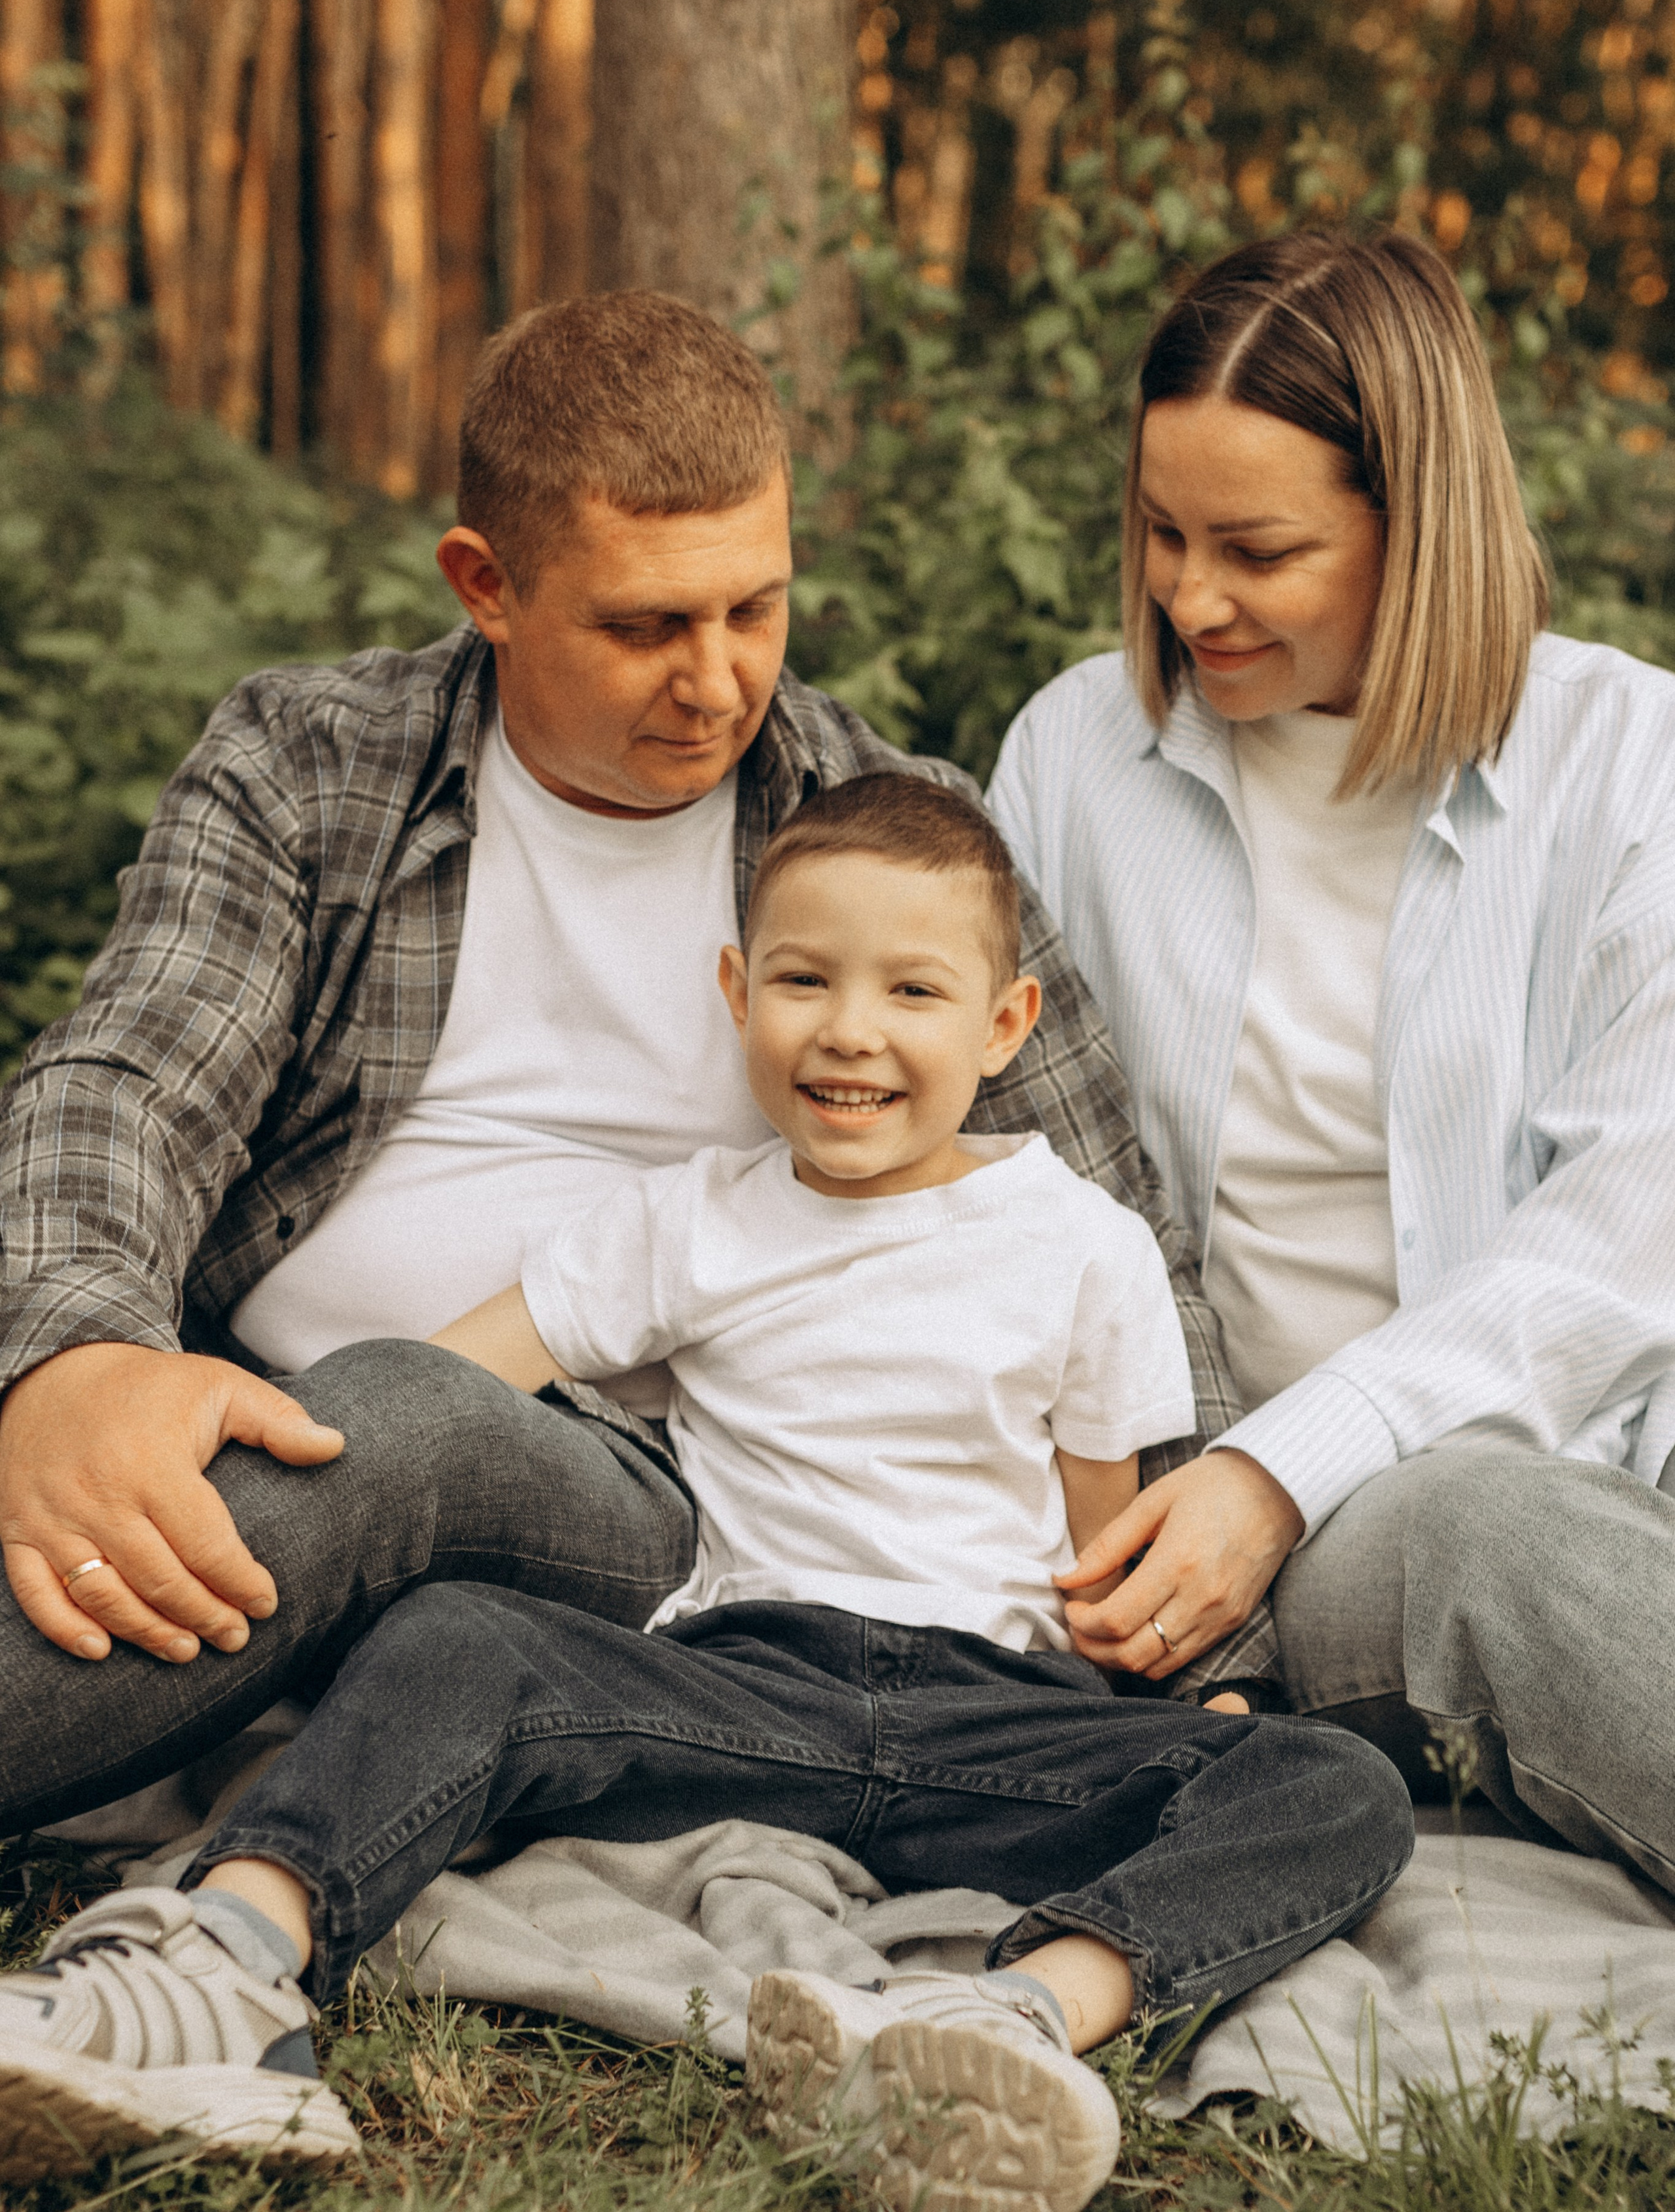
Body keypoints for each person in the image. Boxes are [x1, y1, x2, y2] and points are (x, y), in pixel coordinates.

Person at [0, 778, 1413, 2203]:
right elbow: (441, 1387)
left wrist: (1198, 1705)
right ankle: (222, 1965)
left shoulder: (1085, 1242)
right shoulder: (689, 1220)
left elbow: (1112, 1546)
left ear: (1004, 1025)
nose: (849, 1028)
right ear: (738, 993)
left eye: (912, 990)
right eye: (803, 980)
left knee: (1333, 1780)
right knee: (461, 1639)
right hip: (738, 1686)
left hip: (995, 1713)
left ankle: (1006, 2017)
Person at [0, 292, 1275, 1838]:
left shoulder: (878, 837)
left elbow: (1112, 1231)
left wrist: (1214, 1650)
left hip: (656, 1497)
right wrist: (76, 1363)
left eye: (754, 608)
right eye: (646, 626)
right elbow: (127, 1083)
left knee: (403, 1422)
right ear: (486, 584)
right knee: (120, 1405)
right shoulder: (313, 764)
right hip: (249, 1397)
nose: (718, 681)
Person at [985, 230, 1675, 1886]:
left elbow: (1611, 1249)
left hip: (1601, 1440)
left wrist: (1278, 1469)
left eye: (1258, 549)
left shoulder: (1628, 760)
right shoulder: (1074, 759)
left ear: (1416, 527)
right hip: (1333, 1533)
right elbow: (990, 1179)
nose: (1188, 597)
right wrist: (1252, 1474)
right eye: (1161, 532)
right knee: (1488, 1531)